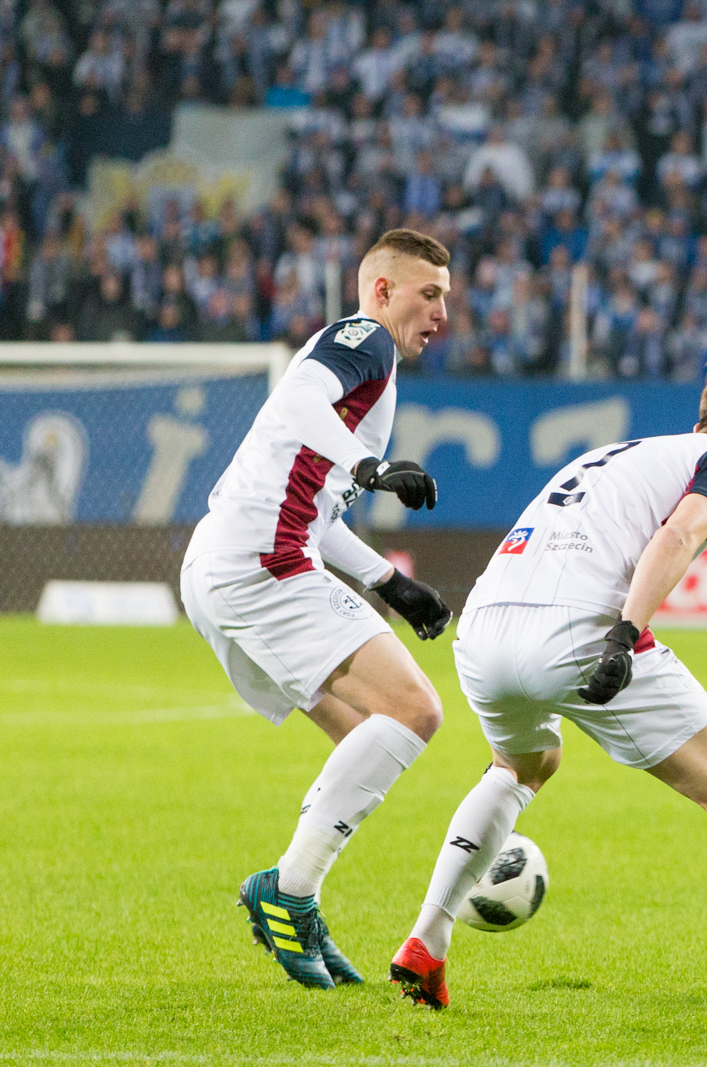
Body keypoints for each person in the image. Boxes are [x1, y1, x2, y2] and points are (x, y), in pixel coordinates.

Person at [390, 363, 707, 1034]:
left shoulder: (617, 453)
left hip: (482, 628)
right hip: (577, 629)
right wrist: (625, 632)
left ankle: (426, 940)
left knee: (524, 764)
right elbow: (679, 534)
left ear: (701, 415)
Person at [180, 229, 457, 990]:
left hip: (234, 559)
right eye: (428, 294)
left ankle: (300, 897)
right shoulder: (364, 339)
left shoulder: (373, 376)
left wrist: (389, 583)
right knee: (414, 711)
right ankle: (287, 889)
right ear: (380, 290)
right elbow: (299, 398)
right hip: (260, 559)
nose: (440, 312)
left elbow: (320, 509)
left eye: (446, 298)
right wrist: (369, 463)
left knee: (364, 737)